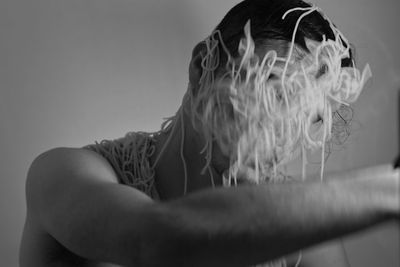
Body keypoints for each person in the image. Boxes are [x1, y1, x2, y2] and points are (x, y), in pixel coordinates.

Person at [20, 0, 399, 266]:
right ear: (204, 66)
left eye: (310, 117)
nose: (282, 131)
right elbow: (155, 242)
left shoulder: (300, 231)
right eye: (273, 93)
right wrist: (390, 191)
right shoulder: (67, 173)